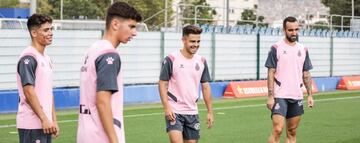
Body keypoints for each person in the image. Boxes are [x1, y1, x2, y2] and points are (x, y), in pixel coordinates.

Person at [76, 2, 142, 143]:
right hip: (100, 136)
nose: (134, 33)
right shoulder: (109, 55)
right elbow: (102, 101)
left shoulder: (93, 49)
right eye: (131, 26)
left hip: (85, 134)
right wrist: (114, 140)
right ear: (115, 24)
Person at [158, 25, 214, 143]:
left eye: (198, 41)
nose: (196, 44)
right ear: (183, 40)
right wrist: (167, 107)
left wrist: (210, 111)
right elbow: (162, 84)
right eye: (192, 41)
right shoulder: (171, 59)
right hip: (174, 111)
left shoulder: (202, 61)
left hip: (192, 112)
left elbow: (206, 87)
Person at [265, 16, 314, 143]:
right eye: (290, 30)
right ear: (284, 30)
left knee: (292, 131)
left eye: (296, 30)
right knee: (277, 129)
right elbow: (271, 72)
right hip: (280, 95)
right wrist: (270, 96)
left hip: (297, 95)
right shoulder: (276, 48)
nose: (294, 33)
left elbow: (306, 73)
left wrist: (309, 95)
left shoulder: (303, 49)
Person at [16, 13, 59, 143]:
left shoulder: (47, 58)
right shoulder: (28, 58)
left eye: (51, 29)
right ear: (34, 33)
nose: (51, 33)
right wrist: (44, 119)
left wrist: (53, 120)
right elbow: (28, 92)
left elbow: (48, 93)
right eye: (46, 30)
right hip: (32, 124)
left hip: (45, 123)